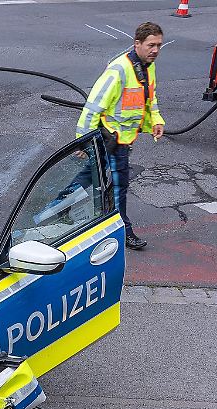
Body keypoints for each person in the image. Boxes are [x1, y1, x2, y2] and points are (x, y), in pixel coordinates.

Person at [77, 21, 165, 251]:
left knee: (88, 178)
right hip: (112, 139)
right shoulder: (119, 70)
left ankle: (55, 210)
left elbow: (150, 98)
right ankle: (124, 231)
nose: (155, 50)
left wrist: (156, 121)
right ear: (137, 44)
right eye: (151, 45)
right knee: (118, 187)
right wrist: (83, 142)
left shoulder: (148, 67)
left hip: (122, 139)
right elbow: (93, 107)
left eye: (158, 45)